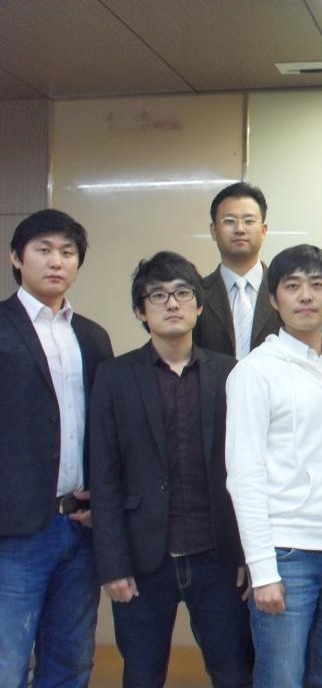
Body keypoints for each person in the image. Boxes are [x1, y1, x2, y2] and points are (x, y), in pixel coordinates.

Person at [225, 244, 322, 688]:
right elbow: (244, 476)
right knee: (281, 678)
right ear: (273, 299)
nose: (306, 296)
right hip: (287, 555)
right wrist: (262, 570)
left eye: (317, 285)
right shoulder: (255, 372)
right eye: (292, 286)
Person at [90, 251, 252, 687]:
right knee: (142, 675)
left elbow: (247, 471)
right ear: (140, 311)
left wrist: (246, 553)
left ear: (199, 306)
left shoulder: (231, 374)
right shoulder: (114, 377)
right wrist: (112, 565)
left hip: (217, 557)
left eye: (182, 293)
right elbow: (103, 476)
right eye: (157, 295)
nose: (172, 303)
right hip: (144, 561)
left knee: (234, 673)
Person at [0, 209, 113, 687]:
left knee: (71, 662)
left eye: (67, 252)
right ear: (16, 258)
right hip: (14, 531)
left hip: (80, 526)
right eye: (43, 250)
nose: (56, 261)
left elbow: (107, 431)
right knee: (7, 663)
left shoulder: (92, 336)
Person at [194, 181, 281, 359]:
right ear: (214, 230)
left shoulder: (284, 291)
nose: (240, 229)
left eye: (249, 221)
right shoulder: (196, 294)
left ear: (264, 230)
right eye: (229, 221)